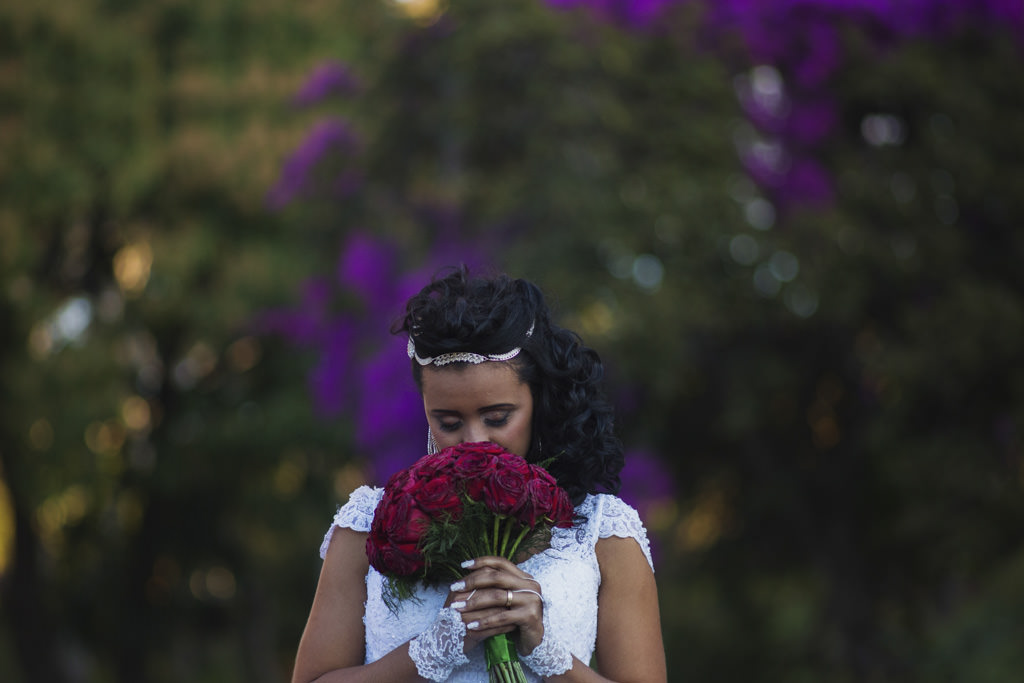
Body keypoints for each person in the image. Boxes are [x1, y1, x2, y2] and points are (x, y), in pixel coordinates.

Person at [292, 267, 667, 683]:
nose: (474, 441)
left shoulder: (603, 533)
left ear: (538, 403)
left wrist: (546, 652)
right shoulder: (369, 524)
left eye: (497, 417)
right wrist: (434, 647)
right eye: (449, 422)